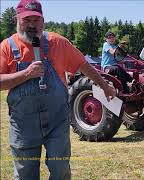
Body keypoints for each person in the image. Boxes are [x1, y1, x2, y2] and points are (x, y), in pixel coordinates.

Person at [0, 0, 116, 179]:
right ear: (17, 20)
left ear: (43, 21)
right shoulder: (7, 47)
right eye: (26, 20)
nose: (31, 25)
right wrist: (26, 74)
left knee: (60, 167)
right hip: (23, 126)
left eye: (36, 20)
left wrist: (104, 86)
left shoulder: (58, 43)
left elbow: (84, 66)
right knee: (25, 173)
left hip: (57, 122)